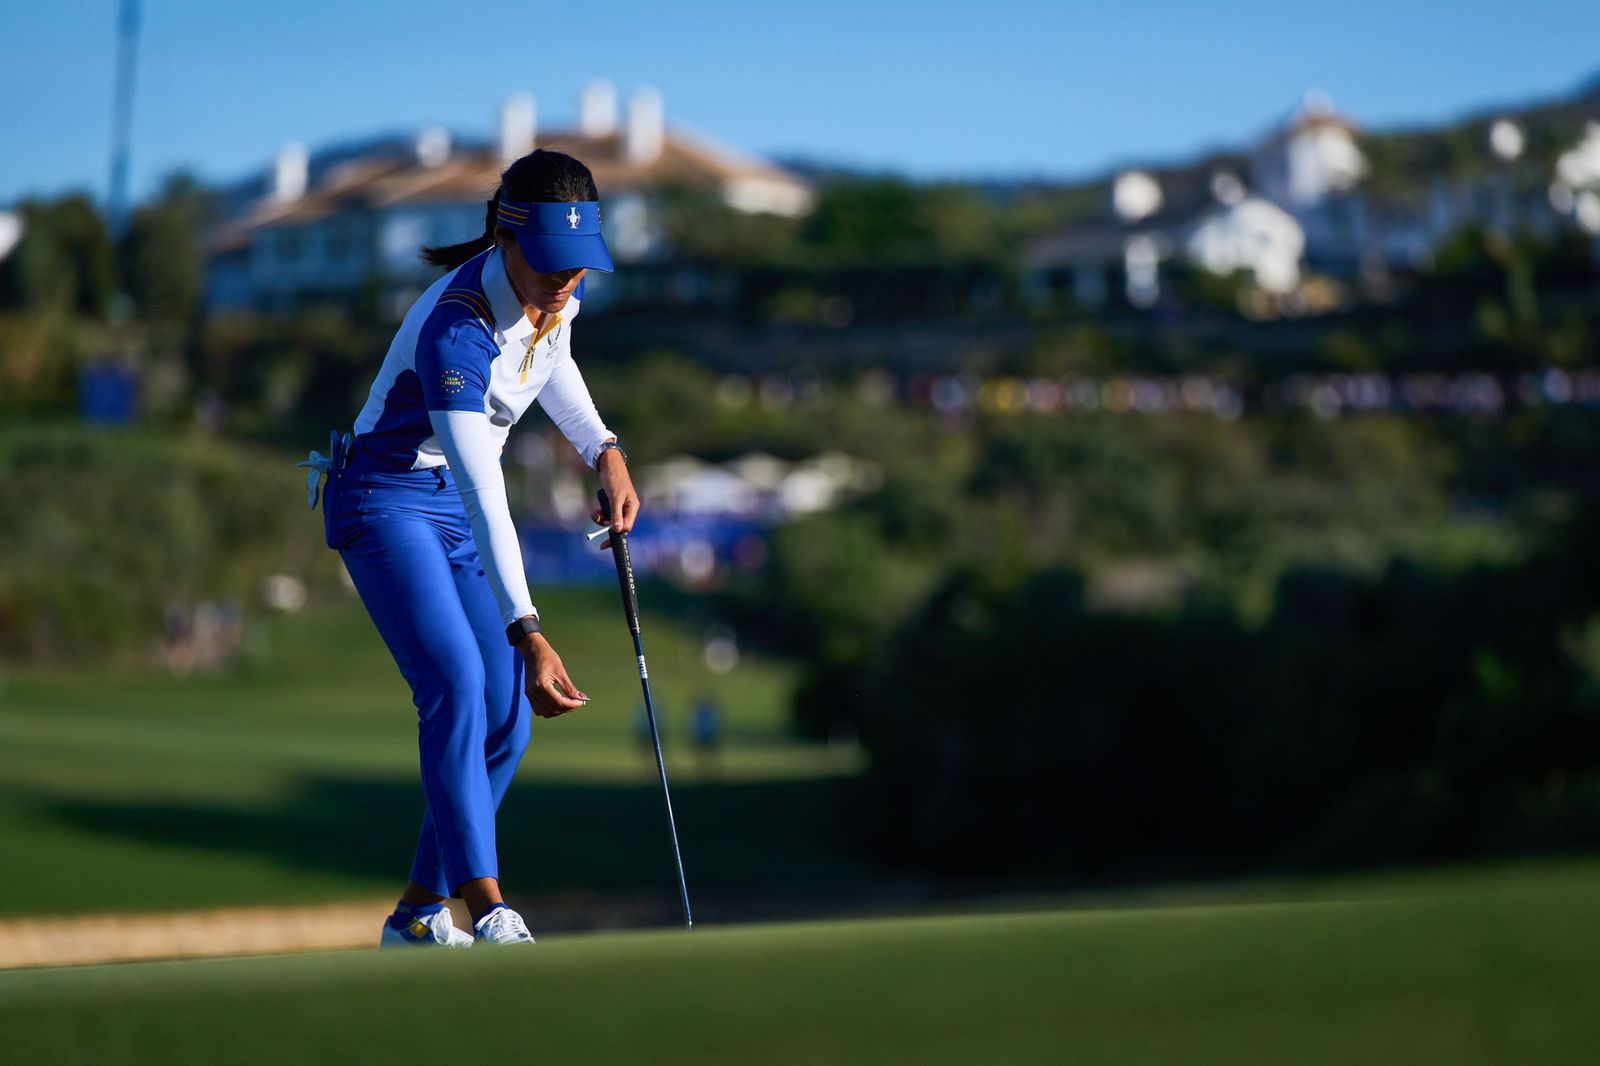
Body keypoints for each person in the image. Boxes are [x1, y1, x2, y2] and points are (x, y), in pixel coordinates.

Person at [302, 149, 639, 947]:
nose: (566, 284)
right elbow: (487, 491)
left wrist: (606, 450)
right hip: (384, 495)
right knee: (456, 682)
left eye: (579, 269)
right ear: (507, 239)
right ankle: (488, 906)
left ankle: (417, 913)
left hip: (446, 504)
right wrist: (529, 629)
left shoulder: (555, 297)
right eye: (553, 266)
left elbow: (554, 367)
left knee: (507, 722)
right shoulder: (455, 331)